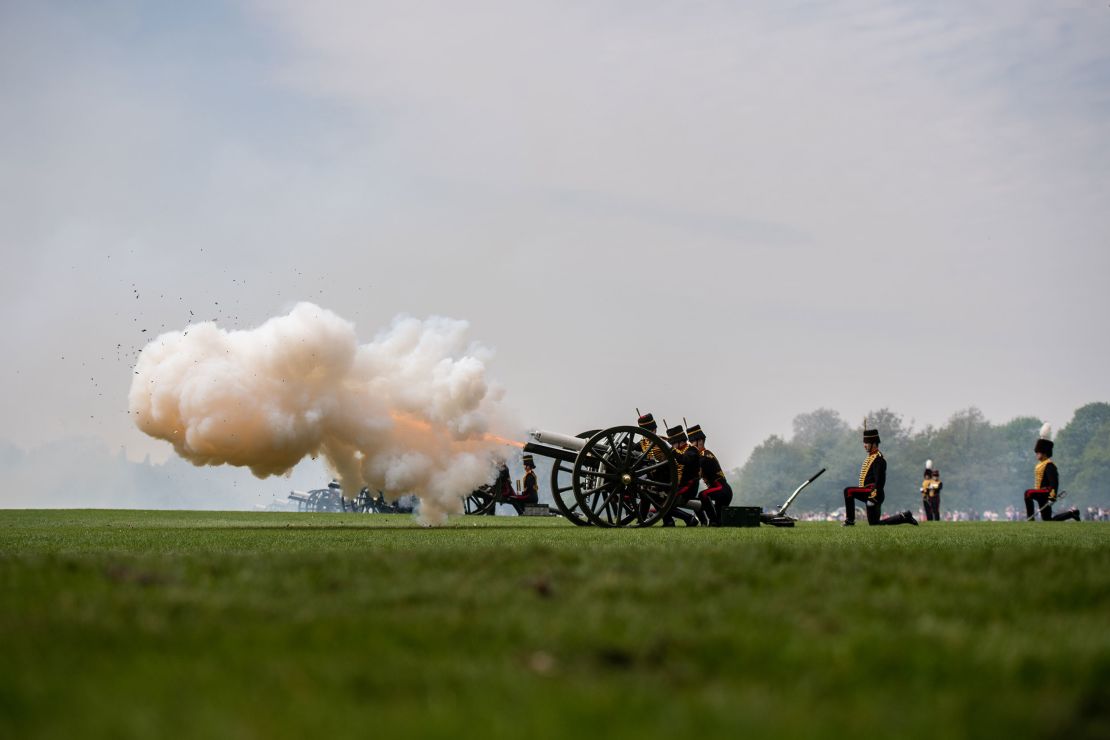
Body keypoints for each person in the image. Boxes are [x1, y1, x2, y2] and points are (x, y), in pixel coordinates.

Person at [842, 425, 918, 526]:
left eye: (867, 443)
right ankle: (904, 517)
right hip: (870, 493)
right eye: (864, 443)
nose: (864, 445)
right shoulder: (871, 457)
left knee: (848, 491)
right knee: (875, 524)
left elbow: (880, 480)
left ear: (874, 444)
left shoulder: (878, 459)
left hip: (873, 492)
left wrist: (873, 496)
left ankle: (850, 520)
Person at [1024, 424, 1080, 521]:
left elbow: (1054, 483)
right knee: (1048, 520)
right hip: (1040, 492)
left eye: (1038, 452)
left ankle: (1030, 518)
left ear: (1044, 452)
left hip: (1046, 492)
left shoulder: (1050, 465)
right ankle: (1072, 513)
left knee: (1028, 493)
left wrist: (1052, 497)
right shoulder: (1040, 464)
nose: (1036, 454)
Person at [687, 423, 732, 526]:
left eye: (693, 442)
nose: (691, 444)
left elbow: (695, 472)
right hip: (718, 490)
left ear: (701, 441)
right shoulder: (701, 455)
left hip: (722, 490)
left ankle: (713, 521)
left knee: (703, 494)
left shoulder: (705, 456)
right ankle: (705, 521)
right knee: (696, 501)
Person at [662, 423, 701, 527]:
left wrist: (671, 450)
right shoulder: (679, 450)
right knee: (660, 500)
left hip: (689, 487)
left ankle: (689, 518)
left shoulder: (692, 450)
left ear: (679, 442)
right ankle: (668, 522)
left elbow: (684, 460)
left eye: (673, 443)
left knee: (666, 504)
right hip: (678, 486)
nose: (673, 446)